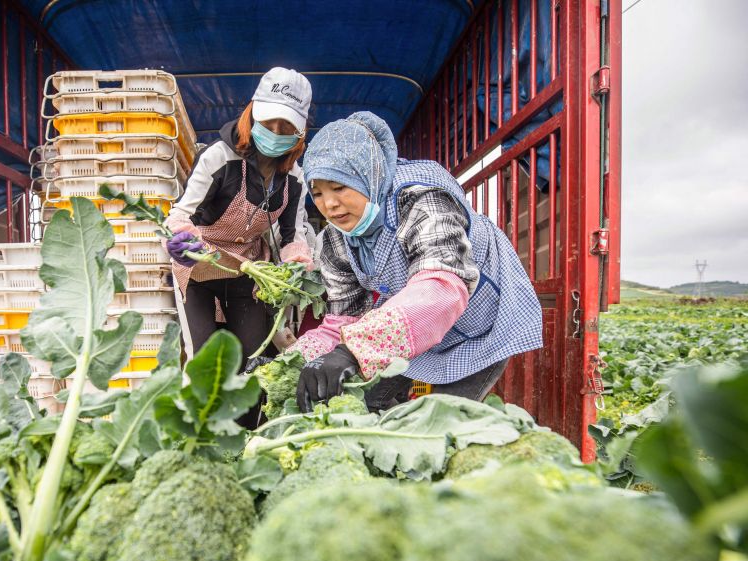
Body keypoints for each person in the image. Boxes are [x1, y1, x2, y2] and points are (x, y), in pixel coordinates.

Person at [288, 111, 543, 412]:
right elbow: (342, 322)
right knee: (363, 401)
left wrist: (352, 351)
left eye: (340, 187)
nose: (329, 204)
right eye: (317, 193)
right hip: (406, 328)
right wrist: (291, 361)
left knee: (438, 422)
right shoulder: (335, 241)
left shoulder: (421, 200)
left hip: (476, 329)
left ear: (368, 174)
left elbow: (441, 289)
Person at [164, 68, 314, 362]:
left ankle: (250, 409)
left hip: (249, 269)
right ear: (252, 113)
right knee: (206, 360)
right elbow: (182, 214)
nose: (274, 132)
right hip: (201, 265)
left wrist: (296, 259)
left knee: (251, 357)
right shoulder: (219, 158)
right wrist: (182, 239)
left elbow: (292, 235)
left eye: (286, 127)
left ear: (300, 132)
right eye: (268, 121)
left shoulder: (295, 178)